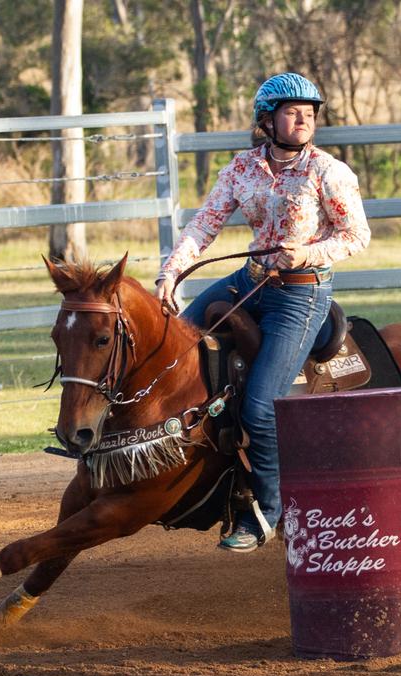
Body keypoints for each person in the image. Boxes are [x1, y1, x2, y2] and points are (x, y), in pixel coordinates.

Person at [155, 72, 371, 553]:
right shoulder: (242, 169)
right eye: (293, 112)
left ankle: (268, 512)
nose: (304, 120)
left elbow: (356, 236)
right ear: (266, 120)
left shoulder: (328, 171)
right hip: (250, 280)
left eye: (310, 113)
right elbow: (203, 225)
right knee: (173, 349)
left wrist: (306, 254)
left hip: (302, 290)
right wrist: (170, 275)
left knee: (260, 405)